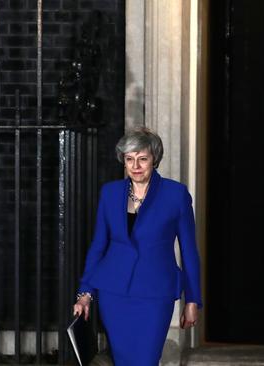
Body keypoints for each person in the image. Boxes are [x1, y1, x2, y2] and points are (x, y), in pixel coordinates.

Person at [72, 127, 203, 366]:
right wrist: (85, 294)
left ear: (154, 159)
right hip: (114, 292)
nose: (136, 166)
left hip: (155, 294)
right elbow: (99, 245)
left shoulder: (176, 195)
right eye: (129, 159)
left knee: (146, 359)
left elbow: (189, 251)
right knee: (122, 360)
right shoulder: (110, 193)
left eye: (142, 159)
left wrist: (193, 300)